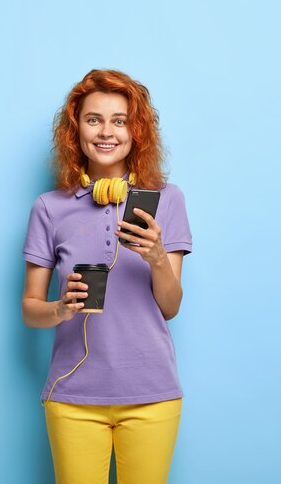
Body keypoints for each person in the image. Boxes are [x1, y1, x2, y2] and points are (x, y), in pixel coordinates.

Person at [22, 69, 192, 484]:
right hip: (73, 397)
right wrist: (60, 308)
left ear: (136, 131)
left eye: (119, 120)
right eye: (93, 119)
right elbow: (30, 310)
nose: (106, 132)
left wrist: (155, 257)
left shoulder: (167, 201)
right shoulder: (49, 207)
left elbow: (170, 307)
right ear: (75, 128)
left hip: (151, 395)